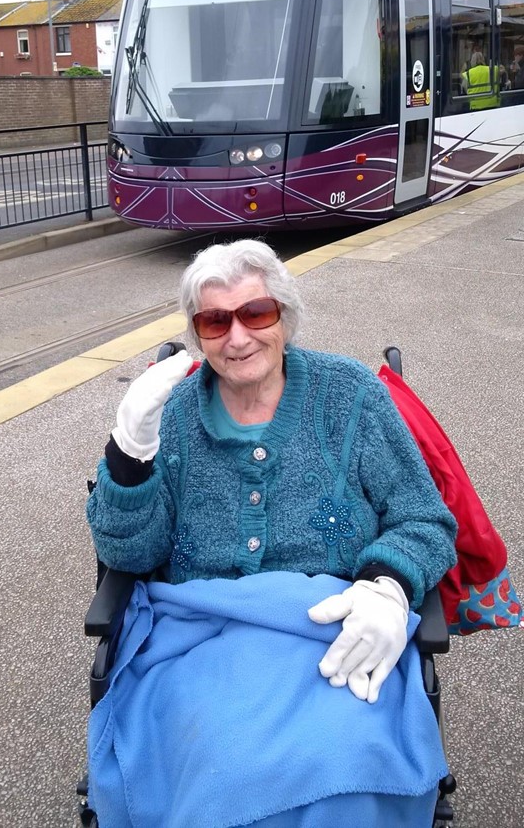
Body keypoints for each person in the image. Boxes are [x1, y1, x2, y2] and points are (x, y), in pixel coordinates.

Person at [87, 239, 457, 704]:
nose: (237, 338)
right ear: (198, 333)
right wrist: (129, 456)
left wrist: (388, 586)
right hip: (198, 646)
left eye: (256, 313)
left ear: (285, 316)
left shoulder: (352, 396)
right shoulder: (173, 416)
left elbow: (424, 518)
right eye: (215, 320)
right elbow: (133, 556)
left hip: (336, 634)